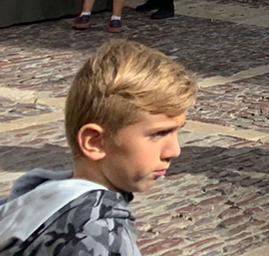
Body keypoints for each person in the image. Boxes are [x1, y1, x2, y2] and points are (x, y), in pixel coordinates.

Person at [0, 39, 197, 253]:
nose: (174, 151)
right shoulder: (101, 233)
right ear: (95, 142)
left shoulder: (32, 201)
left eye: (178, 131)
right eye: (159, 133)